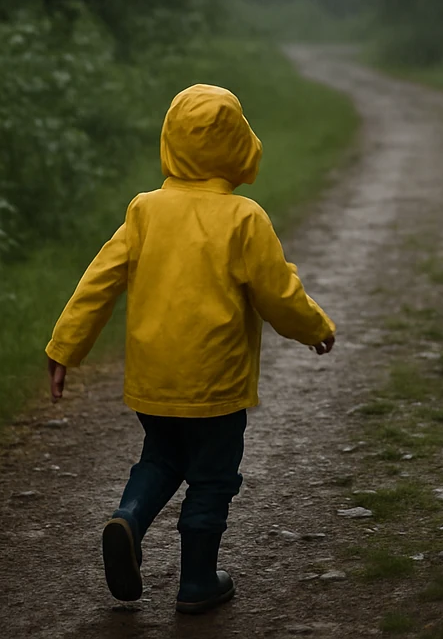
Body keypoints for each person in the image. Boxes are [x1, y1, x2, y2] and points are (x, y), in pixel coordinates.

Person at [44, 84, 336, 613]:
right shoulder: (244, 217)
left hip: (154, 381)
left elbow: (100, 281)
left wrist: (65, 346)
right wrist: (314, 327)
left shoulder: (144, 211)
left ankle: (128, 519)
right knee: (212, 476)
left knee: (160, 458)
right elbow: (279, 294)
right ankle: (197, 580)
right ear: (235, 144)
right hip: (216, 385)